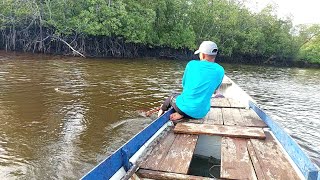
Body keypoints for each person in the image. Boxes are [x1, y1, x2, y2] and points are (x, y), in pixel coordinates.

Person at [158, 41, 225, 120]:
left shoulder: (191, 64)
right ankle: (183, 114)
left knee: (171, 98)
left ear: (203, 55)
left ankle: (161, 112)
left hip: (186, 108)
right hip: (201, 113)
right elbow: (214, 90)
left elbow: (184, 84)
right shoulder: (220, 70)